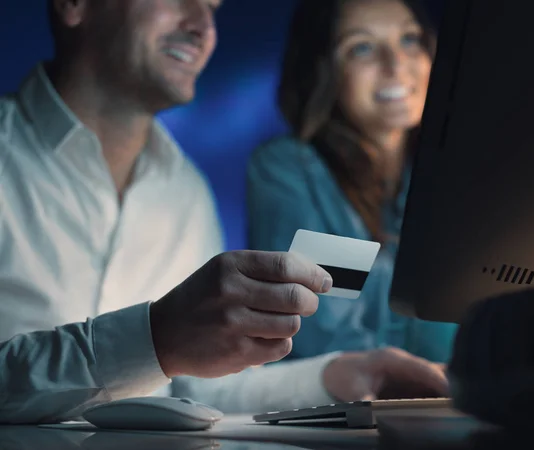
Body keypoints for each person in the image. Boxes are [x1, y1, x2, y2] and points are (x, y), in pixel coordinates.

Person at [0, 0, 449, 424]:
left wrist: (346, 374)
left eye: (213, 5)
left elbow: (200, 387)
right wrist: (154, 339)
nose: (203, 26)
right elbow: (319, 325)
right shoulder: (290, 170)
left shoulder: (184, 191)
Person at [247, 0, 457, 363]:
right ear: (322, 69)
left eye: (409, 39)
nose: (396, 65)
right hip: (345, 410)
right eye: (362, 47)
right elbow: (319, 333)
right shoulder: (289, 170)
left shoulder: (448, 173)